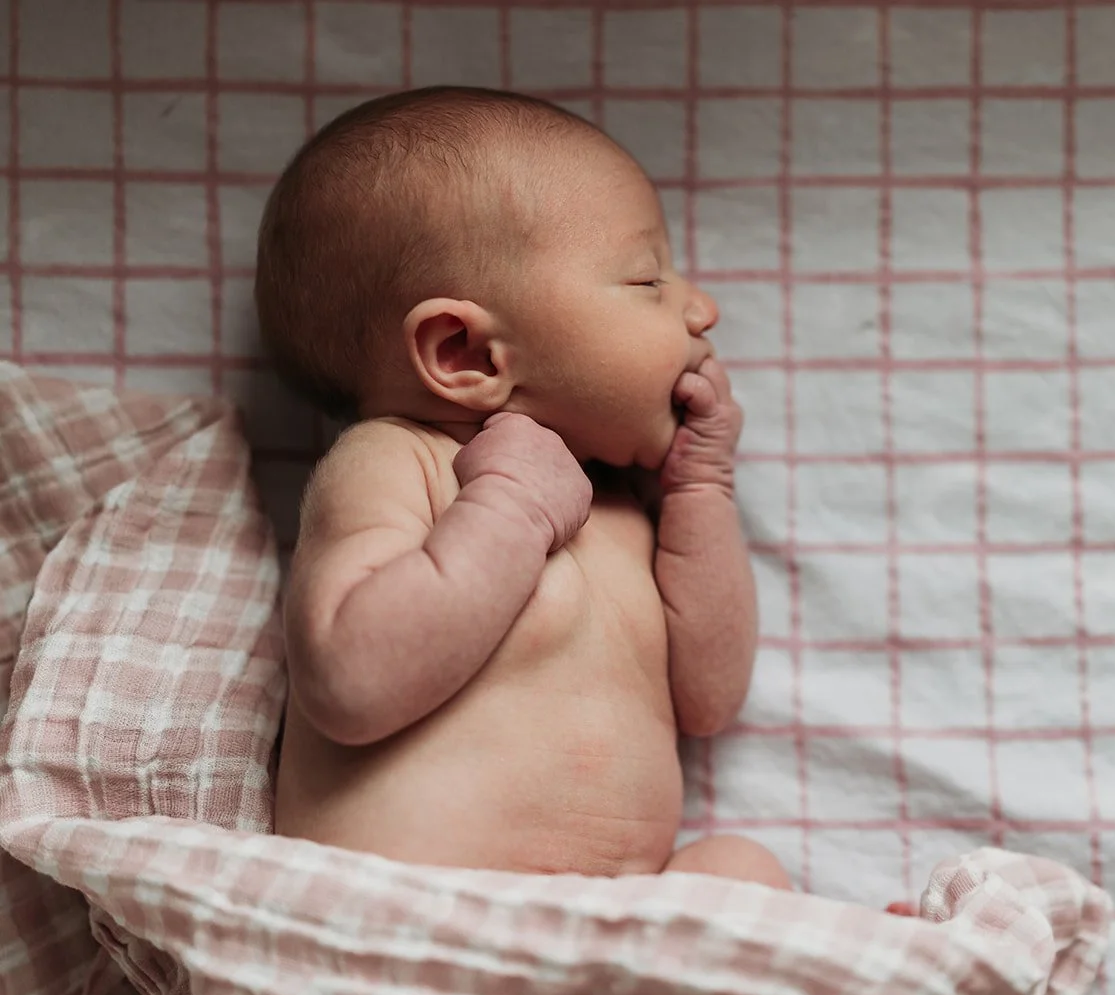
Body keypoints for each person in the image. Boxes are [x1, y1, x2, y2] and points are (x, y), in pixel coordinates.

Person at [258, 86, 789, 890]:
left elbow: (710, 698)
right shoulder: (398, 462)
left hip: (616, 937)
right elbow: (348, 683)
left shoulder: (623, 506)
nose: (701, 309)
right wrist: (510, 507)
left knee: (740, 871)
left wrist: (702, 490)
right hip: (412, 917)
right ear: (465, 352)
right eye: (648, 281)